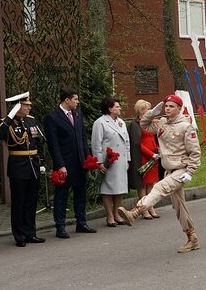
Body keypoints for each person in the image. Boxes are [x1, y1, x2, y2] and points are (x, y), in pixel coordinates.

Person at [117, 94, 202, 253]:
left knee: (158, 188)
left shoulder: (186, 126)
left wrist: (190, 172)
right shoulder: (161, 123)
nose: (167, 109)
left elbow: (195, 153)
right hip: (169, 170)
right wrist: (152, 112)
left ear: (179, 109)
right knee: (179, 207)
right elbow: (143, 124)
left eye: (171, 106)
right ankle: (192, 238)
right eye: (166, 106)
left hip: (181, 170)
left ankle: (136, 212)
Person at [0, 92, 47, 247]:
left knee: (31, 202)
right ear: (18, 106)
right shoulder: (6, 123)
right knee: (19, 202)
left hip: (33, 165)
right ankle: (19, 235)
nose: (29, 108)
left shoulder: (31, 121)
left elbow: (39, 141)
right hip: (18, 166)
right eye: (26, 105)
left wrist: (42, 161)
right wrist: (10, 116)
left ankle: (31, 233)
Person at [43, 87, 95, 238]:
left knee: (80, 194)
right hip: (65, 164)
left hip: (80, 163)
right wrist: (60, 165)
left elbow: (82, 138)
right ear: (67, 100)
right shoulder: (52, 117)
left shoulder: (78, 114)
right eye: (75, 99)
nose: (78, 102)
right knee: (62, 196)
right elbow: (53, 144)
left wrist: (88, 158)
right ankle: (60, 226)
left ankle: (82, 222)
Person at [91, 97, 131, 227]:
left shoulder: (121, 122)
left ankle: (117, 214)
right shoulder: (100, 122)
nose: (120, 108)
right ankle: (109, 216)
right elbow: (96, 144)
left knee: (119, 188)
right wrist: (99, 162)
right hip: (108, 161)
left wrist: (128, 159)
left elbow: (127, 141)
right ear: (110, 109)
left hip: (121, 160)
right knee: (108, 188)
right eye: (117, 107)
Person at [127, 100, 160, 220]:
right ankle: (143, 209)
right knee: (142, 185)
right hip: (144, 157)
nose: (151, 111)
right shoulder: (135, 124)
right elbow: (137, 143)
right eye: (148, 109)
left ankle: (150, 206)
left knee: (151, 184)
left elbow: (154, 138)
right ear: (141, 110)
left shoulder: (150, 123)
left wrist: (157, 149)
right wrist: (151, 154)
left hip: (154, 157)